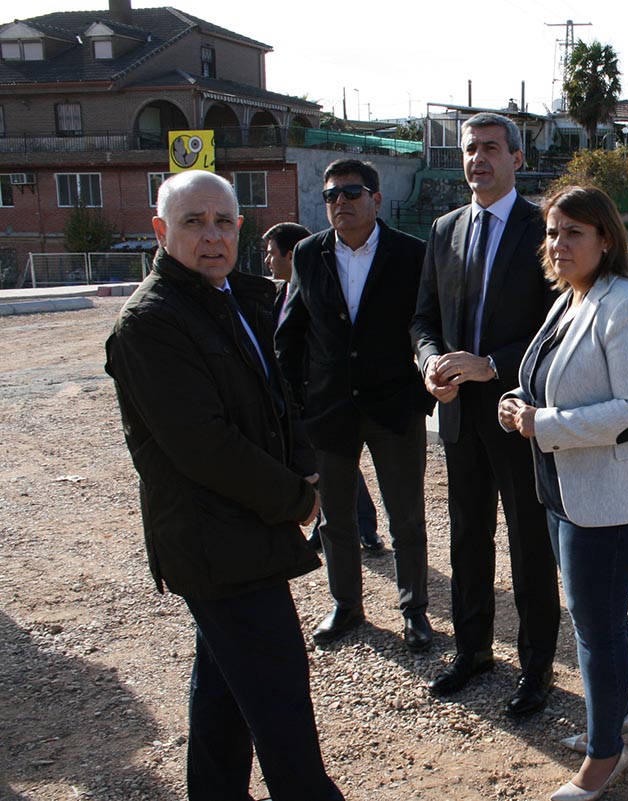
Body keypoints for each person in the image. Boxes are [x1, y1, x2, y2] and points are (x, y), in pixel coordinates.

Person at [104, 170, 343, 800]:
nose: (212, 236)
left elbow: (276, 393)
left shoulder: (239, 295)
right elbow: (205, 446)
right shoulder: (149, 324)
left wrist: (303, 462)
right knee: (278, 697)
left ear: (242, 227)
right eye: (193, 222)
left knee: (226, 692)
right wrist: (298, 497)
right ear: (161, 232)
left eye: (223, 222)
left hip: (247, 528)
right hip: (214, 541)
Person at [499, 186, 628, 801]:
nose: (558, 245)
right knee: (598, 617)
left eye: (573, 233)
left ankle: (604, 754)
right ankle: (620, 716)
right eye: (553, 233)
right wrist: (525, 407)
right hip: (568, 485)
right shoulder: (571, 299)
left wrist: (543, 424)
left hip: (616, 492)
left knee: (595, 623)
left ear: (606, 239)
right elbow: (563, 382)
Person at [411, 112, 560, 717]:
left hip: (516, 414)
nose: (478, 158)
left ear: (516, 159)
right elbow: (422, 318)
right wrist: (429, 364)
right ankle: (473, 652)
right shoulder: (444, 229)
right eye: (470, 149)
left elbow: (558, 326)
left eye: (491, 149)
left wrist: (492, 364)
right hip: (457, 417)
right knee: (468, 539)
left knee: (528, 545)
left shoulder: (543, 229)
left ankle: (537, 667)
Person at [276, 158, 434, 649]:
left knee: (405, 517)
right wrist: (300, 404)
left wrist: (425, 388)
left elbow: (426, 323)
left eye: (351, 192)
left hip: (393, 408)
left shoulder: (411, 254)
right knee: (335, 519)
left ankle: (415, 611)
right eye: (331, 196)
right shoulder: (307, 254)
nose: (340, 202)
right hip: (330, 411)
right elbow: (292, 335)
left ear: (376, 199)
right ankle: (346, 606)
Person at [264, 222, 384, 554]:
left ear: (291, 255)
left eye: (272, 254)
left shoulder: (327, 285)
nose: (267, 261)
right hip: (297, 399)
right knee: (320, 467)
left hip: (325, 395)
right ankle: (324, 525)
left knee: (339, 465)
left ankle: (365, 525)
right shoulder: (276, 296)